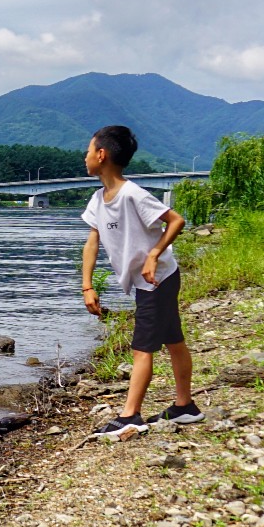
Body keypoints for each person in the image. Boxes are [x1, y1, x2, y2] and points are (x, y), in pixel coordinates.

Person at [79, 124, 198, 436]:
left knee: (141, 348)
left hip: (157, 280)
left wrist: (154, 253)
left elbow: (176, 220)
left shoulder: (132, 194)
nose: (86, 156)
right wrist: (87, 286)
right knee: (173, 340)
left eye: (89, 150)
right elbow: (92, 242)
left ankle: (130, 415)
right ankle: (185, 406)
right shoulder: (98, 198)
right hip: (154, 281)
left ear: (101, 155)